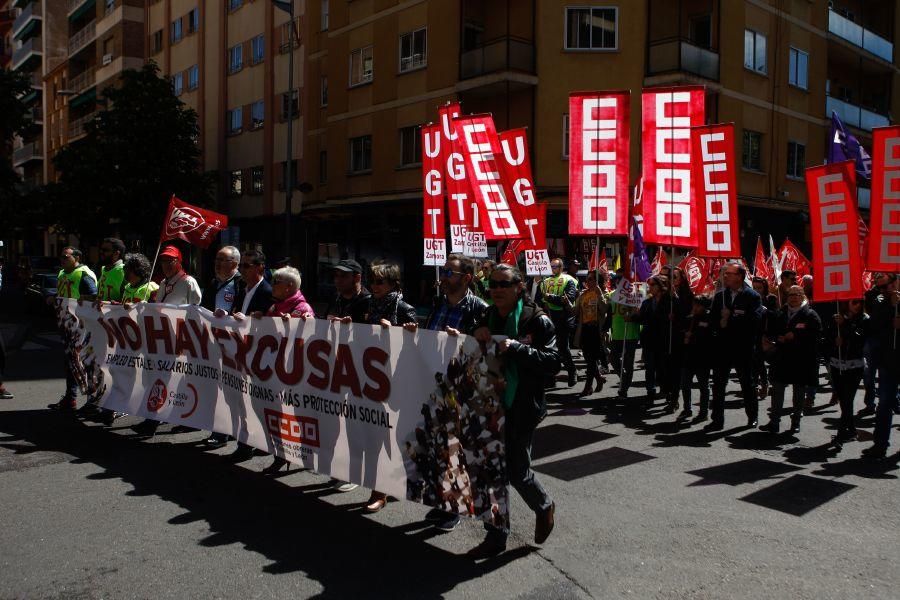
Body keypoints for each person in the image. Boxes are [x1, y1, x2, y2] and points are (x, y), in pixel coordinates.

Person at [469, 263, 559, 558]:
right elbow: (470, 349)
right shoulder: (486, 314)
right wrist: (476, 331)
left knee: (518, 471)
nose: (496, 289)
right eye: (493, 284)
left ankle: (544, 506)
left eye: (503, 284)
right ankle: (495, 535)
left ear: (519, 287)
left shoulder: (537, 320)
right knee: (492, 471)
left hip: (522, 405)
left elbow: (552, 361)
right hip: (489, 404)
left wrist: (518, 349)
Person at [406, 253, 487, 532]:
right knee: (436, 448)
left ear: (467, 278)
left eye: (449, 272)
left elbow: (485, 354)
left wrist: (464, 342)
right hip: (434, 386)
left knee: (455, 451)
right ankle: (440, 504)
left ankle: (454, 509)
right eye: (443, 271)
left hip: (460, 391)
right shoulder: (438, 303)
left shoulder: (479, 309)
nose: (443, 276)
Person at [358, 261, 417, 513]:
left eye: (380, 281)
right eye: (373, 281)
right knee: (373, 436)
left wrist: (397, 331)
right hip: (368, 378)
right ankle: (386, 485)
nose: (374, 286)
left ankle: (380, 491)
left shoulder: (404, 308)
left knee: (386, 437)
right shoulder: (367, 304)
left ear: (394, 284)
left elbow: (417, 347)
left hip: (394, 382)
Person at [205, 250, 274, 451]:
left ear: (260, 267)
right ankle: (242, 441)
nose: (241, 269)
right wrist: (226, 313)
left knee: (253, 402)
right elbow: (238, 312)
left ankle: (252, 444)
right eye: (241, 265)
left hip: (256, 355)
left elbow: (269, 325)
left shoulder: (266, 292)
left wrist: (251, 320)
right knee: (237, 398)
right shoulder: (243, 289)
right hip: (238, 352)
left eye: (246, 265)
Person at [132, 246, 200, 436]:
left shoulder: (188, 282)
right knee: (156, 378)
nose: (166, 265)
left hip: (178, 340)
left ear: (179, 262)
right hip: (160, 339)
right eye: (163, 261)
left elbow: (196, 309)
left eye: (170, 261)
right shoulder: (162, 282)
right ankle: (153, 417)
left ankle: (155, 420)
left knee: (169, 380)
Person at [325, 259, 371, 491]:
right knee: (338, 422)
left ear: (357, 278)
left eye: (343, 276)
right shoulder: (336, 299)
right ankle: (343, 467)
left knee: (356, 425)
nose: (337, 280)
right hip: (336, 368)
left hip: (359, 373)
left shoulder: (368, 303)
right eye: (336, 276)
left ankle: (356, 473)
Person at [760, 285, 822, 435]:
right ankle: (774, 422)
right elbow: (773, 331)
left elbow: (816, 335)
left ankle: (796, 422)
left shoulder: (810, 315)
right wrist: (775, 339)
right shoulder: (781, 313)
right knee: (777, 390)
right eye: (791, 295)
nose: (793, 297)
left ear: (802, 296)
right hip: (782, 358)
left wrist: (796, 337)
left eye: (797, 294)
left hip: (800, 359)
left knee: (799, 392)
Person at [78, 238, 128, 419]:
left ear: (117, 253)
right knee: (95, 364)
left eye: (106, 250)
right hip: (99, 324)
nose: (102, 253)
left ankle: (117, 405)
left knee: (114, 367)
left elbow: (124, 300)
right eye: (102, 249)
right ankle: (96, 399)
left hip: (115, 326)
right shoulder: (104, 269)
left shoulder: (123, 271)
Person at [708, 262, 762, 430]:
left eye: (729, 274)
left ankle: (752, 417)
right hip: (723, 348)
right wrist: (720, 322)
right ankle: (717, 419)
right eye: (725, 274)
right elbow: (712, 322)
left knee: (747, 383)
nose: (725, 276)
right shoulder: (719, 296)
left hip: (743, 348)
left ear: (739, 276)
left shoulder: (752, 296)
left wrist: (730, 317)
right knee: (718, 384)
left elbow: (754, 322)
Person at [48, 247, 97, 411]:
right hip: (67, 326)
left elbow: (92, 297)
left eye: (65, 257)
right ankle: (71, 399)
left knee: (84, 363)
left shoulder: (84, 274)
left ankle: (92, 400)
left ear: (77, 257)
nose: (62, 259)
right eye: (60, 257)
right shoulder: (62, 273)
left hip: (81, 327)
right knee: (70, 363)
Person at [863, 276, 900, 459]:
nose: (890, 288)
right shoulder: (880, 300)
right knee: (884, 403)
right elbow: (875, 326)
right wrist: (891, 307)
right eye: (886, 286)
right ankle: (880, 445)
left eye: (893, 284)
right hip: (888, 361)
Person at [823, 299, 869, 445]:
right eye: (853, 302)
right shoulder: (836, 316)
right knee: (843, 399)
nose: (856, 306)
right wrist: (833, 339)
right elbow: (826, 336)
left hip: (854, 365)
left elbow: (861, 338)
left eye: (858, 303)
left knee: (848, 398)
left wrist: (845, 325)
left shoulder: (864, 319)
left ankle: (841, 433)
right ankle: (851, 428)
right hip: (837, 364)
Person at [635, 275, 676, 404]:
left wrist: (673, 317)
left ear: (660, 286)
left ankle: (666, 391)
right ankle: (650, 392)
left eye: (653, 285)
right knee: (649, 367)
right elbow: (641, 318)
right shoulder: (647, 302)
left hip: (664, 340)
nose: (650, 287)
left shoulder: (670, 301)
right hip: (649, 340)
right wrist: (632, 316)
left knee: (663, 368)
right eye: (649, 285)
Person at [539, 258, 578, 387]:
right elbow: (541, 302)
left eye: (555, 266)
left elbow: (568, 299)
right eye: (551, 266)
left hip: (564, 317)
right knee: (548, 348)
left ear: (561, 268)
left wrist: (550, 297)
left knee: (563, 347)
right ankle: (550, 377)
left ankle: (572, 371)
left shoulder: (569, 280)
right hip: (550, 316)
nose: (552, 268)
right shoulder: (544, 282)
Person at [571, 270, 609, 397]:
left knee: (592, 359)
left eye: (591, 279)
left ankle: (588, 387)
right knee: (589, 359)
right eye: (587, 279)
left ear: (598, 281)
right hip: (585, 330)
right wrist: (566, 303)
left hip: (597, 330)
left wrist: (599, 295)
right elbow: (575, 312)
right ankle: (598, 378)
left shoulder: (603, 293)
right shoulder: (583, 294)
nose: (588, 281)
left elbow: (604, 310)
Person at [861, 274, 894, 415]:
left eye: (884, 286)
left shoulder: (895, 297)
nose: (881, 289)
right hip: (873, 339)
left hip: (889, 341)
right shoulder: (872, 296)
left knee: (886, 374)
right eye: (878, 286)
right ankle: (870, 403)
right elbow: (873, 316)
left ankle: (889, 402)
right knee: (869, 374)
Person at [681, 296, 713, 421]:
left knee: (703, 386)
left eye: (698, 306)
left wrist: (693, 336)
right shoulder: (689, 319)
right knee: (685, 384)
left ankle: (703, 412)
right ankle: (687, 408)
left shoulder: (709, 319)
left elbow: (708, 337)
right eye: (694, 305)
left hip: (702, 358)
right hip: (688, 357)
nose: (695, 308)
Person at [608, 290, 641, 403]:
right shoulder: (612, 294)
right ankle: (625, 379)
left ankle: (624, 389)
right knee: (613, 358)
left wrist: (633, 314)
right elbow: (609, 313)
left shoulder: (638, 292)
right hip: (617, 333)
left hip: (630, 333)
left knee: (628, 362)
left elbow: (640, 313)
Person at [752, 277, 779, 399]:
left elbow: (776, 315)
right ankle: (763, 384)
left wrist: (765, 310)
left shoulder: (771, 298)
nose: (757, 290)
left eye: (759, 288)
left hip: (768, 334)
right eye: (755, 288)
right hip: (755, 333)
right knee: (758, 361)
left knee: (772, 360)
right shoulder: (750, 298)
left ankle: (775, 382)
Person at [201, 246, 241, 314]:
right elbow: (204, 307)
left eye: (221, 260)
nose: (217, 263)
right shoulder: (212, 283)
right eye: (217, 259)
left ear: (234, 264)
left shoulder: (242, 284)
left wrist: (227, 313)